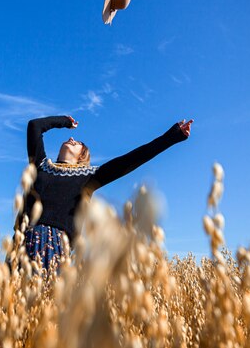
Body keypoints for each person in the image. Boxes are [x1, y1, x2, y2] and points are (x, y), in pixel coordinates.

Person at [21, 115, 193, 272]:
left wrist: (173, 136)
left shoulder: (88, 176)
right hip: (22, 241)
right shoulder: (40, 166)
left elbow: (132, 159)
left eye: (78, 142)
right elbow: (34, 126)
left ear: (83, 156)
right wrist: (64, 121)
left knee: (43, 303)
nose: (71, 138)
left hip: (53, 245)